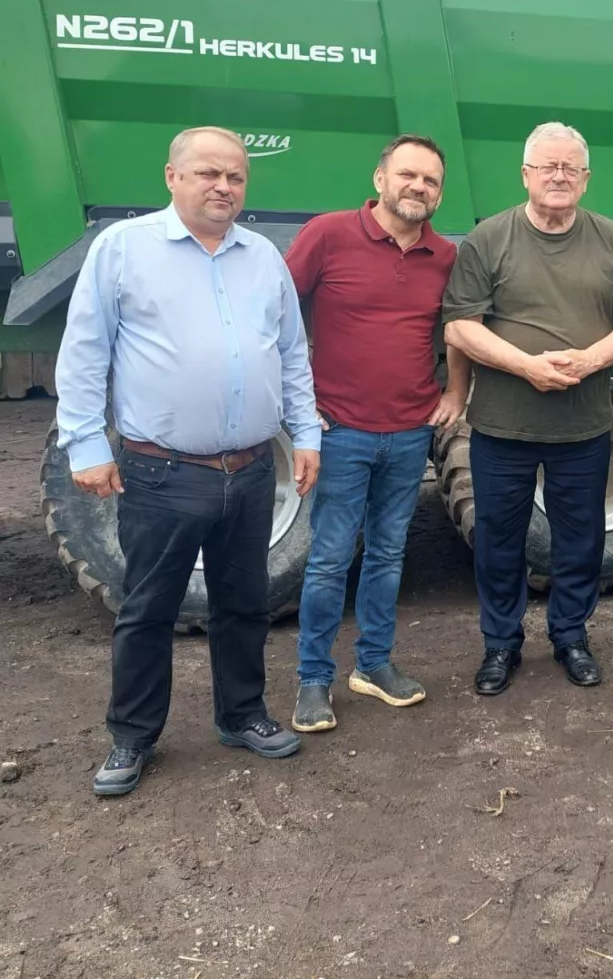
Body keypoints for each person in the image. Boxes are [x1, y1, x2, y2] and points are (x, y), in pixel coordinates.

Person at [55, 126, 322, 797]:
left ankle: (243, 716)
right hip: (161, 472)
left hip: (252, 469)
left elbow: (291, 352)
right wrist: (84, 444)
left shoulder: (263, 257)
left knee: (244, 602)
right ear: (172, 177)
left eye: (235, 176)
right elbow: (85, 353)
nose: (223, 187)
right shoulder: (122, 250)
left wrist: (308, 434)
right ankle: (133, 737)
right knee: (147, 608)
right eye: (208, 174)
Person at [442, 122, 613, 695]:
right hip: (503, 428)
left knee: (580, 540)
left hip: (583, 427)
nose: (559, 176)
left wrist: (588, 362)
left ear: (585, 179)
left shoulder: (610, 239)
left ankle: (571, 637)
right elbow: (460, 324)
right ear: (526, 175)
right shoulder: (490, 239)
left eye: (571, 168)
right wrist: (525, 366)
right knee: (498, 540)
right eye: (547, 166)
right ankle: (501, 644)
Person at [285, 135, 471, 733]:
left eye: (431, 181)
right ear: (380, 178)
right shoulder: (328, 234)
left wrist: (454, 393)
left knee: (388, 555)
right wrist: (294, 400)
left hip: (410, 432)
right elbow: (276, 315)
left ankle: (374, 666)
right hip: (339, 431)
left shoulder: (445, 256)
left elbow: (459, 331)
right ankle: (313, 682)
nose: (419, 187)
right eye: (408, 175)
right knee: (329, 560)